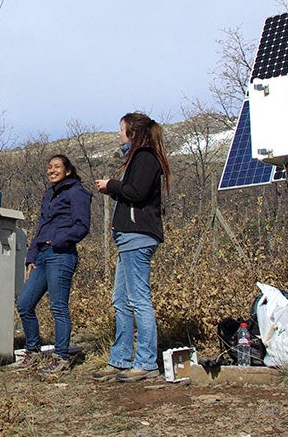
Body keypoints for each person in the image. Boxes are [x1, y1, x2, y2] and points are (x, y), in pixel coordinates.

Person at [91, 112, 171, 383]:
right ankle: (120, 358)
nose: (118, 135)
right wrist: (115, 188)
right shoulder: (137, 157)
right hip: (127, 238)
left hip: (138, 237)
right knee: (121, 300)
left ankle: (146, 361)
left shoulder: (146, 157)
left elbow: (137, 192)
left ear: (133, 133)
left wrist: (112, 185)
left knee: (138, 299)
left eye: (121, 130)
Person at [11, 154, 91, 375]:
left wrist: (58, 240)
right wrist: (31, 257)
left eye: (57, 167)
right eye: (49, 167)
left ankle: (61, 356)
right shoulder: (49, 194)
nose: (52, 170)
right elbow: (41, 227)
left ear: (68, 171)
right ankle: (33, 351)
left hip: (62, 255)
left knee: (58, 306)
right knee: (25, 304)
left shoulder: (77, 192)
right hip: (42, 257)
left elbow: (82, 225)